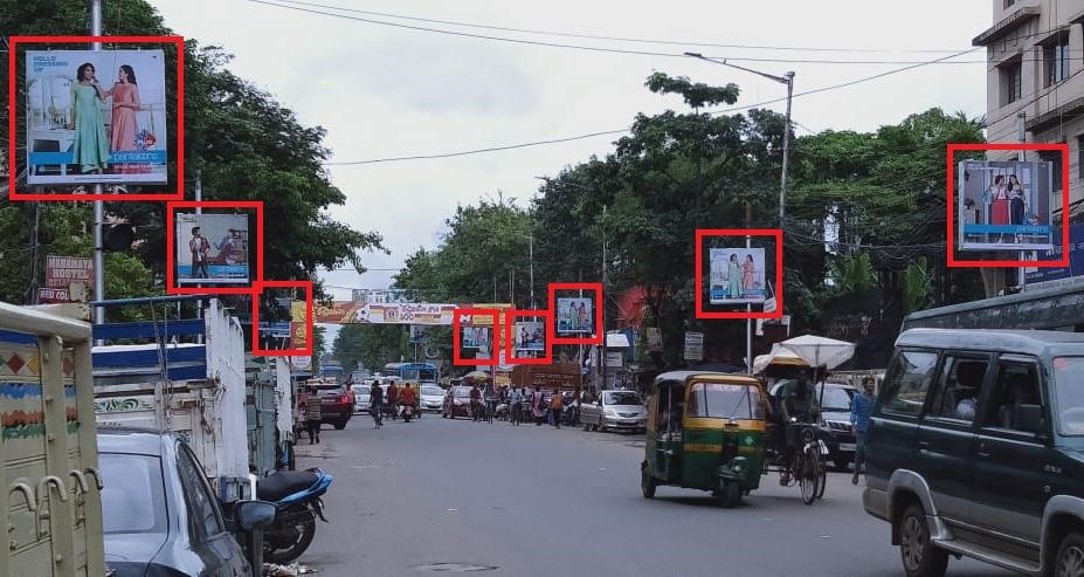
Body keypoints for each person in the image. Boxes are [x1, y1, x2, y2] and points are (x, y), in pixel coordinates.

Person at [70, 62, 110, 174]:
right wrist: (72, 122)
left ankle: (99, 163)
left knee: (96, 139)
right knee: (86, 140)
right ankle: (87, 165)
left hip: (95, 117)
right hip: (82, 118)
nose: (90, 72)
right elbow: (72, 106)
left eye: (92, 70)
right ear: (82, 71)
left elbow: (103, 99)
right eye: (88, 70)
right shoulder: (76, 87)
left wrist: (97, 84)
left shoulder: (94, 87)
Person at [104, 65, 140, 158]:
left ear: (127, 74)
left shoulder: (132, 87)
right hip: (117, 117)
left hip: (128, 118)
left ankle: (128, 164)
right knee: (117, 139)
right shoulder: (117, 86)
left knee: (126, 140)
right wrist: (96, 84)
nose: (119, 73)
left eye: (121, 71)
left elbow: (137, 105)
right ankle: (118, 164)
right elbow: (104, 95)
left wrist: (121, 103)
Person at [850, 377, 876, 485]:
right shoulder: (858, 397)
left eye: (873, 384)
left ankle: (868, 475)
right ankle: (856, 472)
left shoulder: (876, 398)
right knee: (859, 451)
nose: (872, 386)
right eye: (870, 384)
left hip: (872, 429)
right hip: (861, 428)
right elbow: (854, 412)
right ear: (864, 385)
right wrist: (853, 425)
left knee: (870, 453)